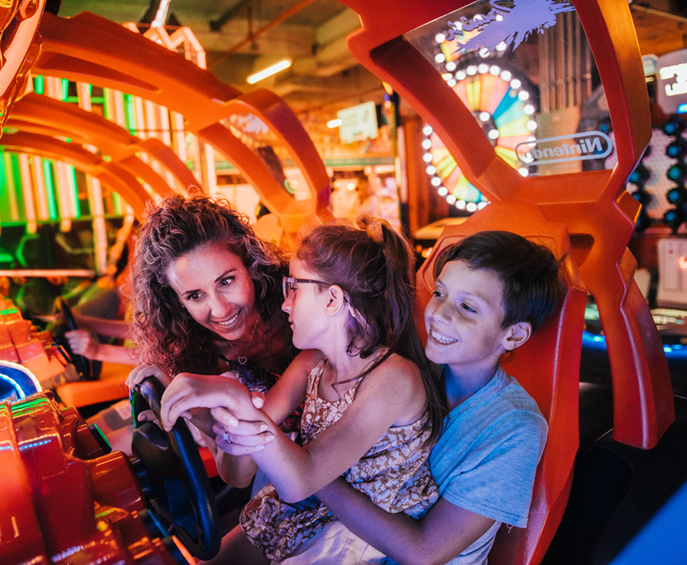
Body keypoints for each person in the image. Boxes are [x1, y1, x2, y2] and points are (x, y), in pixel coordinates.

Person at [158, 217, 447, 563]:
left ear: (332, 300)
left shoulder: (393, 378)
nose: (284, 303)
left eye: (293, 288)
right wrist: (208, 410)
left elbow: (301, 479)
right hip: (300, 517)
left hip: (353, 536)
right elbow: (238, 472)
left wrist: (234, 398)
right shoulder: (312, 364)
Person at [125, 194, 297, 487]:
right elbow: (235, 476)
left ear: (250, 263)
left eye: (226, 281)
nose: (221, 310)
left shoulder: (298, 305)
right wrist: (191, 410)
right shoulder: (193, 358)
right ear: (176, 301)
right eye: (195, 295)